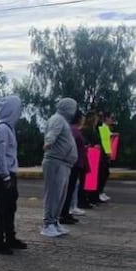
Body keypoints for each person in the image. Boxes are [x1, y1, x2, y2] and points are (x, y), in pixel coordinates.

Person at [0, 95, 26, 255]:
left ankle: (10, 238)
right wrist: (6, 176)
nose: (19, 113)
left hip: (7, 173)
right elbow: (0, 156)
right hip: (1, 174)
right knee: (2, 209)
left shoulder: (8, 128)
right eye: (18, 109)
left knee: (10, 207)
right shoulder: (3, 129)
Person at [40, 98, 78, 238]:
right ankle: (48, 224)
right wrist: (48, 142)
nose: (74, 111)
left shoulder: (63, 121)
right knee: (53, 195)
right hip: (55, 162)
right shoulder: (58, 119)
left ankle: (54, 222)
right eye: (73, 107)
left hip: (63, 163)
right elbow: (52, 133)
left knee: (60, 196)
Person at [61, 109, 87, 225]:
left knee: (71, 189)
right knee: (69, 189)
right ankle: (64, 213)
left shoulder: (74, 130)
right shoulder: (74, 130)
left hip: (76, 163)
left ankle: (66, 212)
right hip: (74, 163)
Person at [95, 111, 114, 202]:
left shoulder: (107, 128)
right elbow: (104, 142)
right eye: (111, 118)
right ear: (106, 118)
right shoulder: (102, 128)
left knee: (105, 173)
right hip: (102, 155)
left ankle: (100, 192)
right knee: (102, 174)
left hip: (105, 154)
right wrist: (108, 152)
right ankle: (99, 192)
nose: (112, 120)